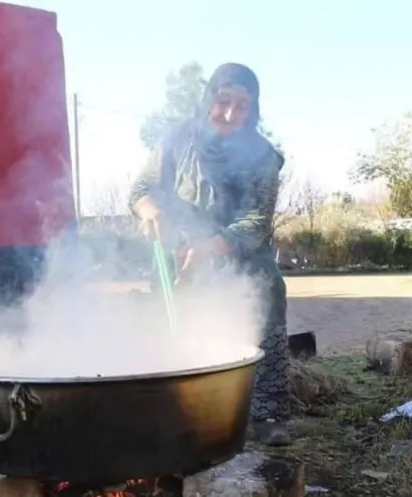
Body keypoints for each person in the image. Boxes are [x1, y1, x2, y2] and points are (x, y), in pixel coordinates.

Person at [128, 63, 292, 446]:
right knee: (171, 330)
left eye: (242, 106)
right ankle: (179, 408)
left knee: (263, 305)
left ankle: (267, 412)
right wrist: (150, 209)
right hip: (180, 255)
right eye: (223, 101)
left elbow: (255, 222)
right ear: (209, 99)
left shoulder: (262, 155)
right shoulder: (176, 139)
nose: (231, 114)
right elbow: (140, 189)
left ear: (253, 111)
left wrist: (210, 249)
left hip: (242, 259)